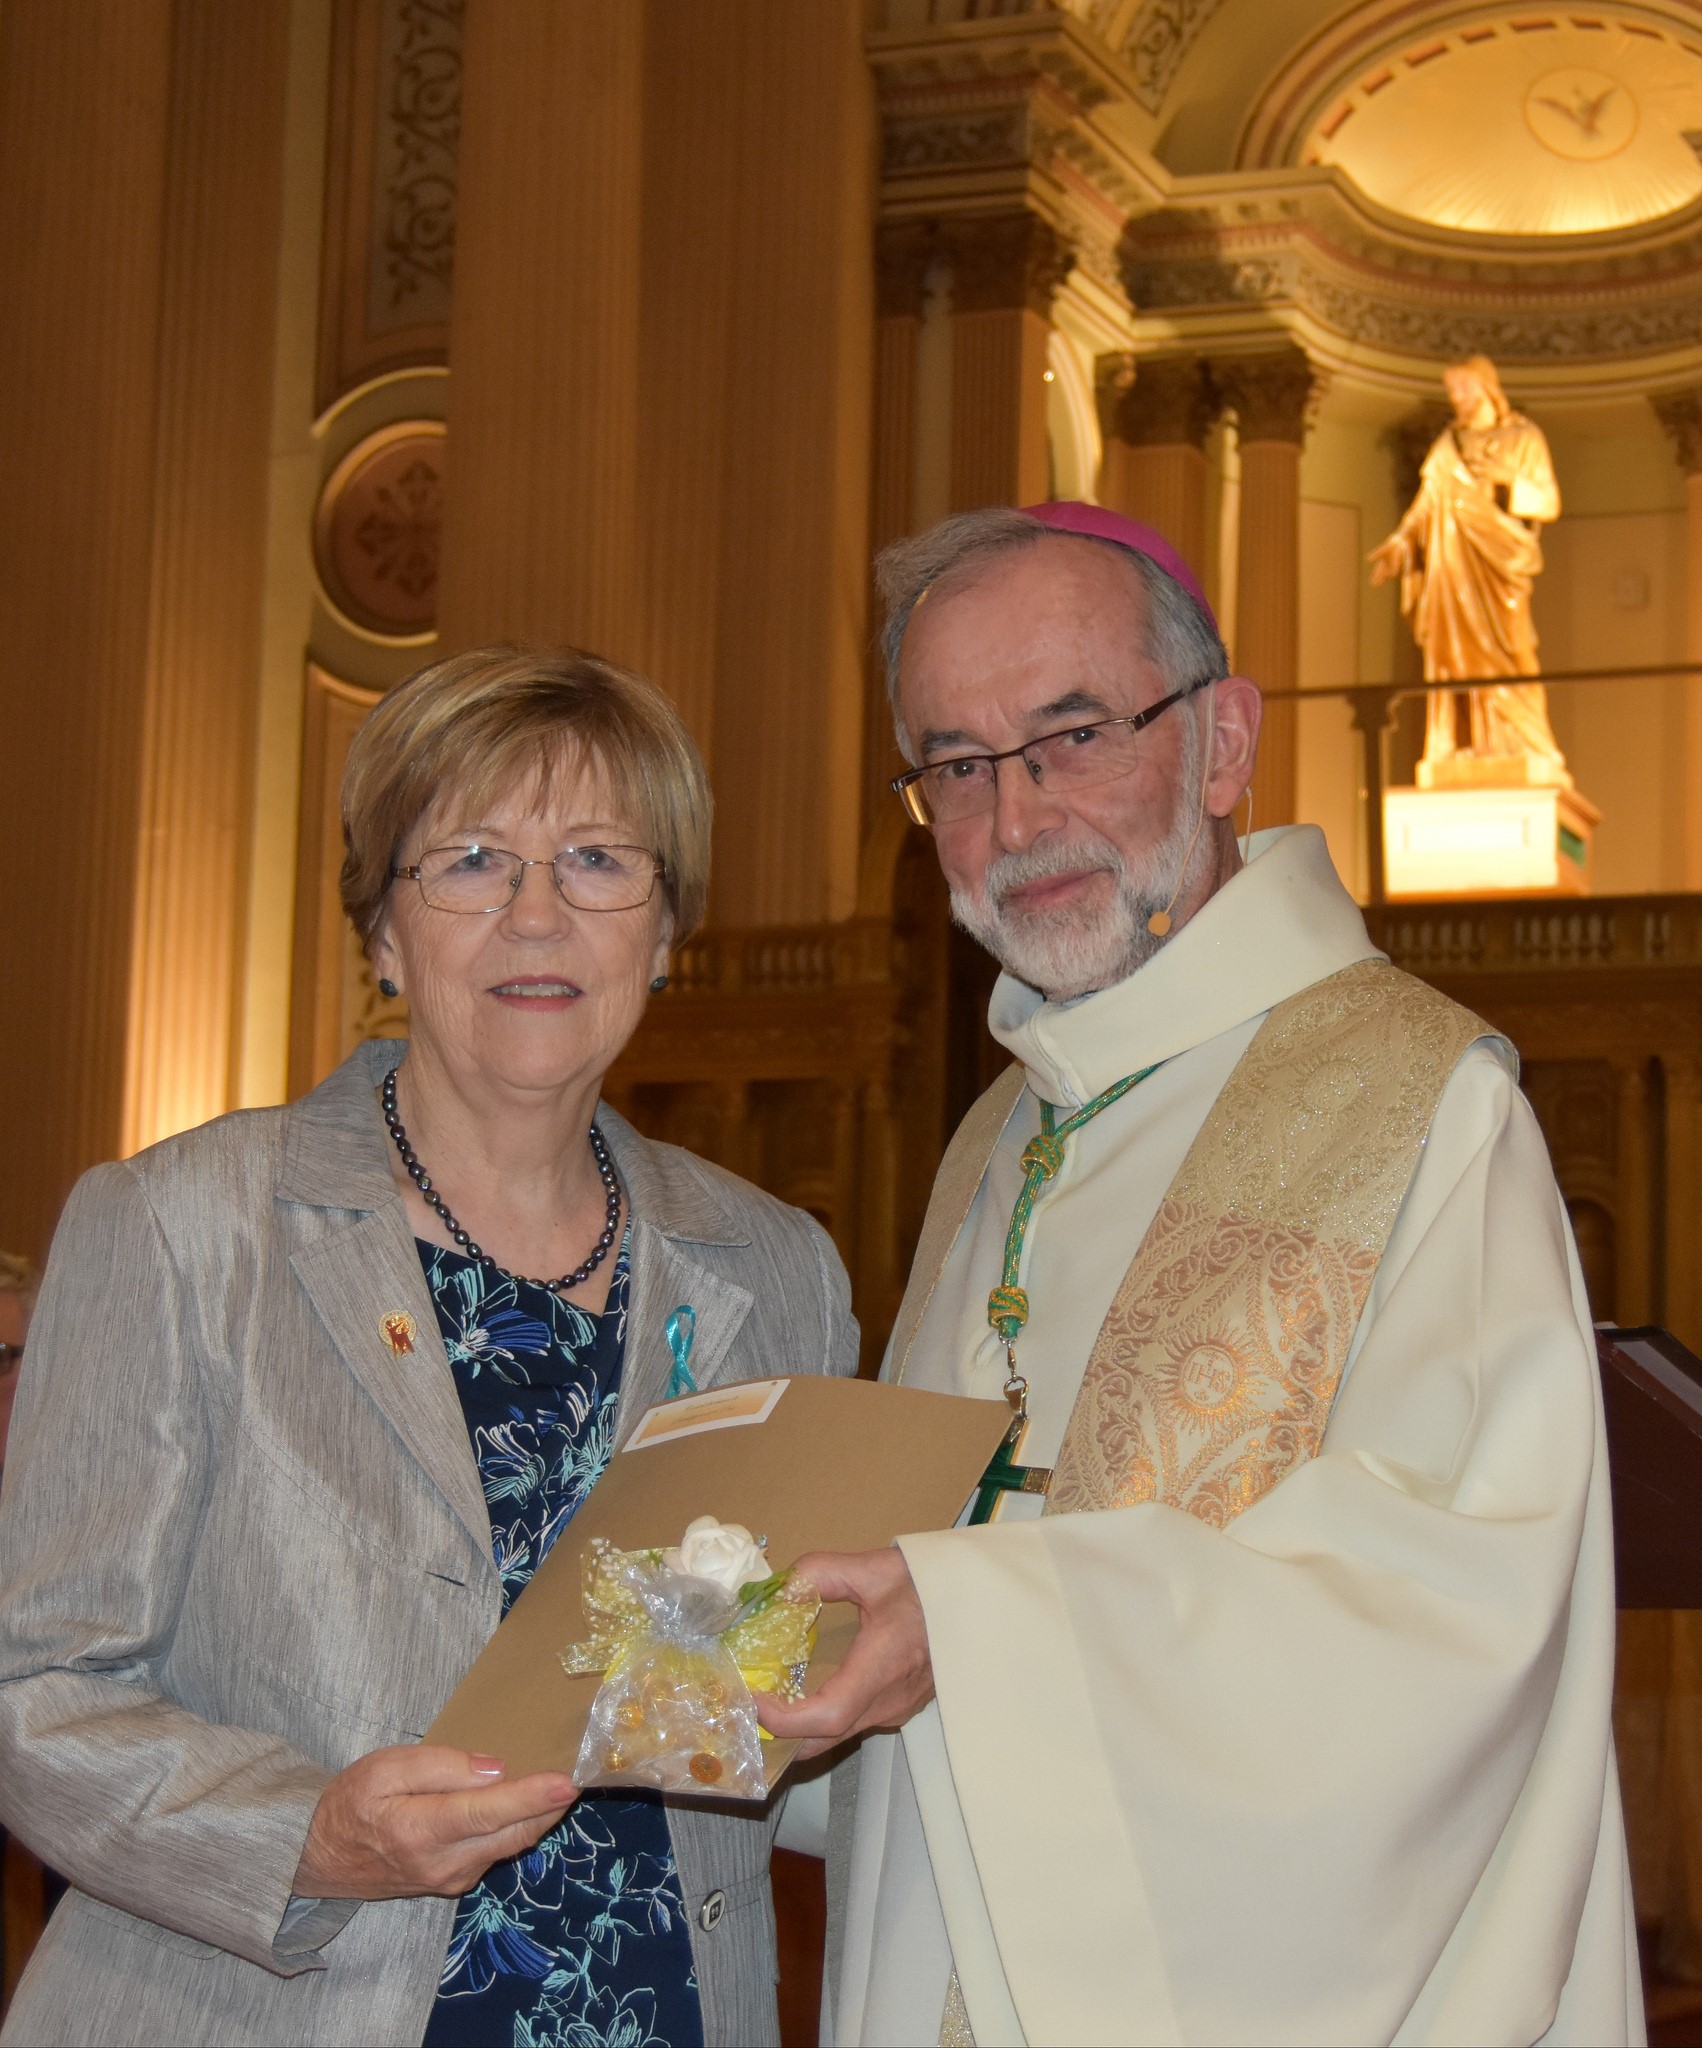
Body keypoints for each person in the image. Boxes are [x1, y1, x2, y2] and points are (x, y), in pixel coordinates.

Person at [759, 502, 1638, 2046]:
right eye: (954, 767)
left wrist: (976, 1624)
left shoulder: (1422, 1104)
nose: (1015, 820)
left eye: (1074, 732)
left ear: (1223, 745)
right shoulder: (997, 1132)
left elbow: (1456, 1619)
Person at [0, 646, 859, 2048]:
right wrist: (302, 1839)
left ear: (662, 932)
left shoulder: (774, 1267)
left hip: (655, 2009)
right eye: (469, 861)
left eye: (596, 861)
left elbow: (758, 1674)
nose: (537, 917)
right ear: (385, 933)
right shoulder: (184, 1230)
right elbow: (33, 1688)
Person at [1369, 353, 1569, 783]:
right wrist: (1401, 543)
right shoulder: (1447, 446)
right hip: (1451, 569)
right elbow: (1424, 508)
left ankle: (1523, 742)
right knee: (1452, 658)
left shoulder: (1523, 437)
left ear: (1486, 387)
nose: (1457, 397)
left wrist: (1505, 482)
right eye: (1452, 390)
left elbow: (1547, 501)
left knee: (1512, 653)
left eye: (1464, 387)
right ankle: (1461, 744)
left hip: (1499, 565)